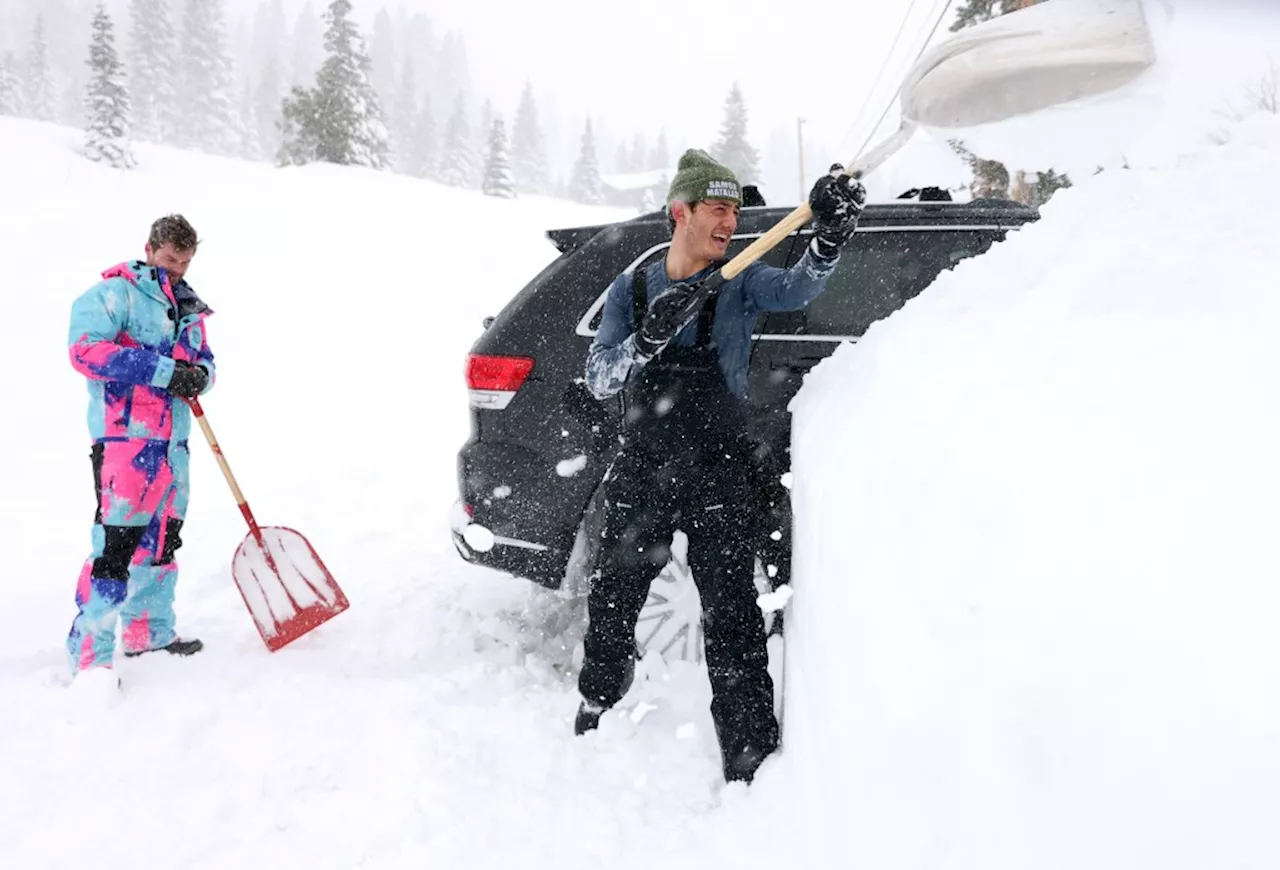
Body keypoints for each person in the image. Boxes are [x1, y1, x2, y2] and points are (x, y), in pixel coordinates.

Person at [577, 149, 866, 783]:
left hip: (717, 468)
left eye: (735, 210)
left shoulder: (740, 278)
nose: (730, 221)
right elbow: (599, 378)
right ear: (679, 213)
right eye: (717, 208)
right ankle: (597, 703)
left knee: (732, 615)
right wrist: (644, 340)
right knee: (614, 596)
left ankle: (749, 757)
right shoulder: (634, 285)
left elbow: (798, 290)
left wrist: (826, 239)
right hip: (644, 467)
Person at [65, 214, 216, 685]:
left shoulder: (187, 306)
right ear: (149, 249)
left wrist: (200, 376)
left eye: (186, 263)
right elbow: (84, 351)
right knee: (115, 548)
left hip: (173, 445)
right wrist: (162, 370)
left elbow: (205, 362)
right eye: (171, 260)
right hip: (125, 444)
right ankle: (91, 654)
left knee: (162, 543)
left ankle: (147, 632)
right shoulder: (117, 293)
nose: (177, 270)